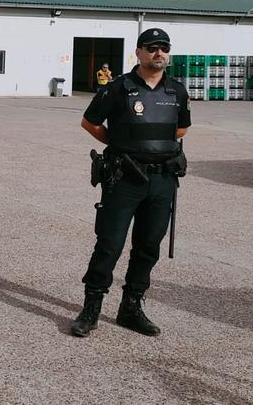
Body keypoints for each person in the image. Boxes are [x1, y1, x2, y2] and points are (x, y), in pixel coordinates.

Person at [70, 28, 190, 339]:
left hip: (162, 180)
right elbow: (90, 123)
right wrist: (121, 145)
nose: (158, 53)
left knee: (148, 247)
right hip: (124, 178)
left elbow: (181, 131)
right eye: (152, 48)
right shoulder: (118, 88)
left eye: (164, 48)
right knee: (109, 244)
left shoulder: (177, 91)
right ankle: (91, 309)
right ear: (138, 52)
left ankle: (131, 307)